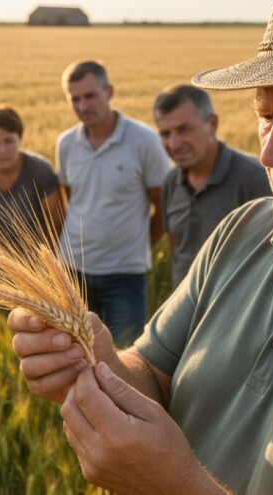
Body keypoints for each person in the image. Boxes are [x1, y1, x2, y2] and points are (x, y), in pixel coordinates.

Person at [9, 1, 273, 493]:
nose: (270, 152)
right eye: (265, 114)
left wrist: (171, 485)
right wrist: (99, 360)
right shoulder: (241, 232)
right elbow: (152, 372)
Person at [56, 60, 172, 346]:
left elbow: (163, 206)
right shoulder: (66, 143)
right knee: (76, 355)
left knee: (127, 355)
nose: (83, 106)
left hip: (125, 275)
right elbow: (70, 199)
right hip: (73, 272)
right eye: (75, 99)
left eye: (90, 96)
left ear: (109, 92)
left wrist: (138, 246)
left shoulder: (144, 141)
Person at [154, 84, 271, 287]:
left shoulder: (256, 179)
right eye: (165, 134)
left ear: (213, 124)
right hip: (186, 315)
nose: (173, 144)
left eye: (183, 130)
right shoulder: (171, 183)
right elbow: (177, 251)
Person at [0, 104, 63, 251]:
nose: (1, 150)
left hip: (39, 255)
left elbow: (55, 224)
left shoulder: (41, 171)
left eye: (8, 141)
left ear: (20, 139)